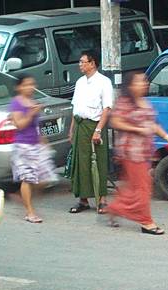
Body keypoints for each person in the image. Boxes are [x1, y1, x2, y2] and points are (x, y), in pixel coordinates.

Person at [102, 72, 168, 235]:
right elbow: (115, 122)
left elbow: (152, 125)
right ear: (130, 86)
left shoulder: (144, 102)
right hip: (131, 152)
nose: (144, 83)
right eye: (139, 81)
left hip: (144, 151)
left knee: (136, 188)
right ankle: (146, 222)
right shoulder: (125, 103)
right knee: (143, 188)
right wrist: (137, 129)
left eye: (144, 81)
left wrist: (167, 137)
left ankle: (115, 208)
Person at [69, 50, 113, 214]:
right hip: (81, 125)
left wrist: (98, 130)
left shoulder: (104, 82)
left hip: (94, 125)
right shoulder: (80, 82)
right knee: (81, 163)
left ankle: (102, 199)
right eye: (80, 62)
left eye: (83, 62)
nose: (80, 65)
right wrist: (72, 129)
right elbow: (76, 107)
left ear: (92, 63)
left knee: (98, 162)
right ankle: (83, 199)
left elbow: (107, 108)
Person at [10, 74, 57, 223]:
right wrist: (31, 113)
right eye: (26, 85)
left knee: (44, 179)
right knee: (28, 178)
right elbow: (20, 125)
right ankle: (29, 212)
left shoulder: (32, 102)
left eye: (32, 84)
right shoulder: (16, 103)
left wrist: (44, 141)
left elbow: (37, 126)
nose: (30, 87)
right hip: (23, 145)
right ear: (19, 87)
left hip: (36, 144)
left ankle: (23, 196)